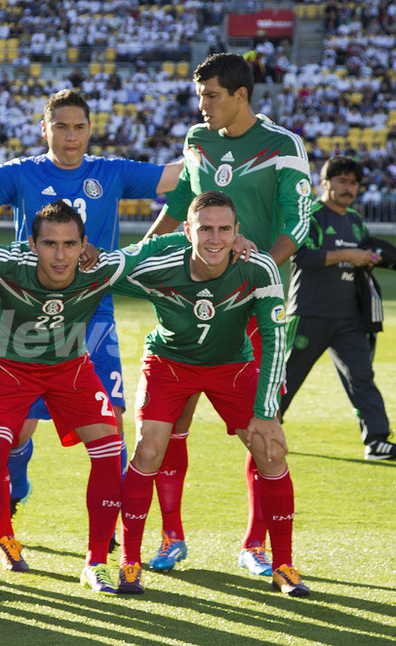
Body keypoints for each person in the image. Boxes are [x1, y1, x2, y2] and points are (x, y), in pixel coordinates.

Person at [0, 89, 183, 556]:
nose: (71, 136)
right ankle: (15, 490)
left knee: (111, 423)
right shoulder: (22, 172)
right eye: (61, 127)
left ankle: (109, 526)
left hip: (92, 311)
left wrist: (215, 145)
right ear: (44, 129)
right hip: (29, 314)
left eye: (79, 127)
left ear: (90, 129)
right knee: (18, 432)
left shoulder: (110, 171)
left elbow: (178, 176)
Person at [0, 200, 182, 598]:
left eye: (69, 244)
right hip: (7, 369)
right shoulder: (6, 264)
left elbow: (152, 247)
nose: (60, 255)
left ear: (83, 245)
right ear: (32, 245)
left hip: (68, 368)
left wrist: (214, 240)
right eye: (49, 244)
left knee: (109, 447)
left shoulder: (101, 268)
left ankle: (96, 563)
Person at [143, 52, 311, 575]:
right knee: (171, 423)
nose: (203, 105)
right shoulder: (198, 139)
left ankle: (255, 545)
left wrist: (259, 269)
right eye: (200, 96)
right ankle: (172, 537)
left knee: (262, 429)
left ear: (241, 95)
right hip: (193, 300)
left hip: (258, 306)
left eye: (212, 95)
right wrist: (137, 256)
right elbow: (180, 207)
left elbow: (298, 224)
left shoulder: (283, 145)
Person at [115, 190, 308, 597]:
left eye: (224, 229)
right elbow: (115, 266)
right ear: (188, 231)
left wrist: (266, 412)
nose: (215, 239)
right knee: (148, 450)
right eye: (205, 229)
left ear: (238, 232)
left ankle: (284, 565)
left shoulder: (258, 267)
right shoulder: (163, 262)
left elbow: (275, 340)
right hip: (169, 362)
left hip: (231, 366)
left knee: (271, 449)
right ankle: (130, 561)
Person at [280, 156, 396, 460]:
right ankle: (266, 428)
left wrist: (372, 256)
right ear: (324, 183)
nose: (348, 188)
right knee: (287, 376)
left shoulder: (355, 221)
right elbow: (301, 256)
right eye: (342, 181)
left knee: (362, 377)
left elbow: (366, 248)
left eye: (354, 183)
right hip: (309, 312)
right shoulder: (311, 215)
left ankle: (377, 440)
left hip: (349, 317)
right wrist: (349, 254)